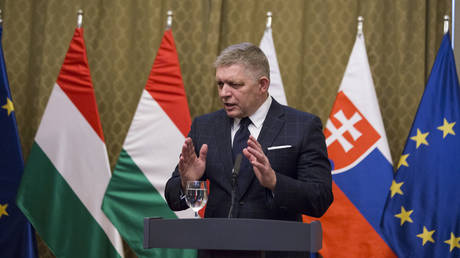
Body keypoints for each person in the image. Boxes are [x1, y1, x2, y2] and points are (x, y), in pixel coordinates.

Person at [165, 42, 333, 258]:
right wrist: (187, 183)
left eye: (235, 85)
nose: (224, 93)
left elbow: (319, 198)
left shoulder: (302, 126)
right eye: (220, 84)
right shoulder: (205, 126)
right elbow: (173, 199)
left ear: (262, 85)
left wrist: (274, 181)